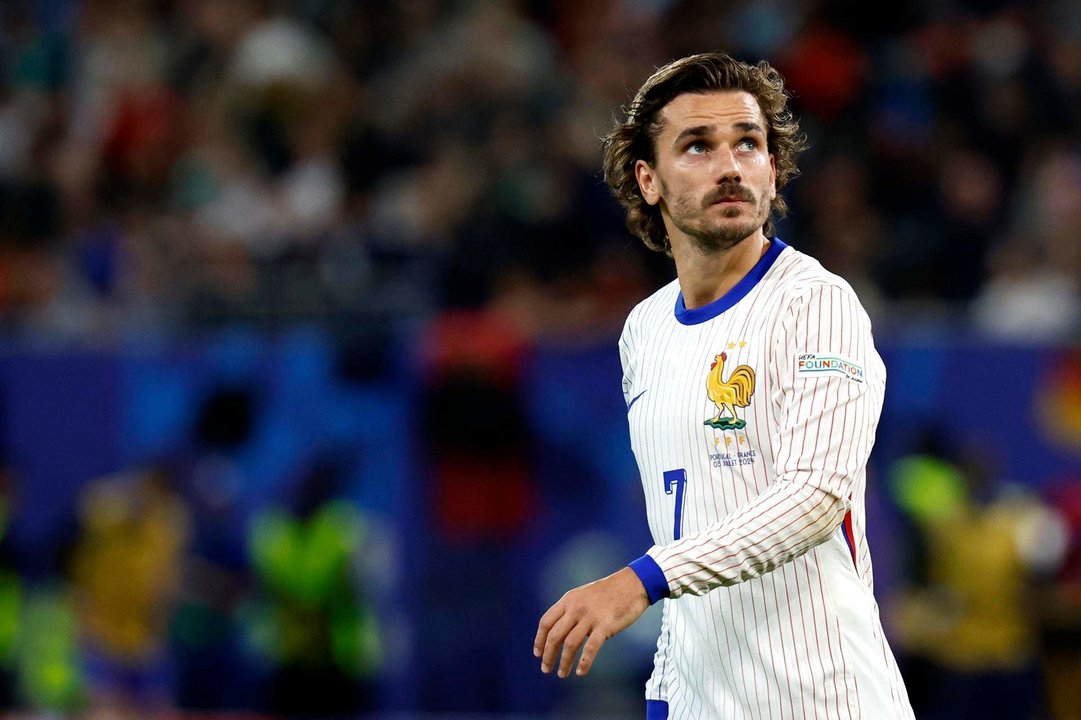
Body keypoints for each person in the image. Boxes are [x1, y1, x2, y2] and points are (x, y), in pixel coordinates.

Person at [534, 52, 915, 719]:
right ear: (647, 180)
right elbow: (683, 529)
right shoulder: (644, 332)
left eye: (748, 143)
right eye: (697, 146)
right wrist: (666, 698)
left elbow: (814, 496)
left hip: (824, 702)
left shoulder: (815, 305)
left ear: (772, 168)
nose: (730, 165)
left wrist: (640, 580)